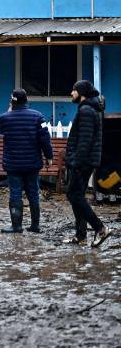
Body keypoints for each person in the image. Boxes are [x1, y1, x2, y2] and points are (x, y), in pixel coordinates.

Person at [0, 89, 53, 233]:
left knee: (15, 193)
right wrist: (49, 156)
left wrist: (10, 110)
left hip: (13, 164)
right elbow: (45, 139)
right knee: (33, 193)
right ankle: (35, 225)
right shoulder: (38, 117)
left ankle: (16, 226)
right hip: (32, 164)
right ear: (26, 100)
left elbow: (0, 130)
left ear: (12, 102)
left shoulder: (4, 118)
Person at [65, 80, 111, 247]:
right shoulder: (90, 109)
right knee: (76, 195)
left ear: (82, 93)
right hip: (86, 161)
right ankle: (81, 235)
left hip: (82, 162)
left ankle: (100, 228)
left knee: (74, 195)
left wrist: (75, 162)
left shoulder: (86, 110)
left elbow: (85, 141)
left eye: (74, 90)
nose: (71, 93)